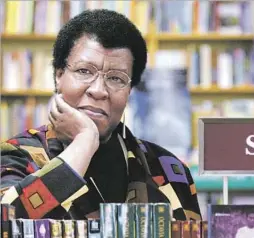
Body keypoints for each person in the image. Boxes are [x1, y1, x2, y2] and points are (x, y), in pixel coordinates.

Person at [0, 9, 201, 221]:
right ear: (59, 76)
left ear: (129, 91)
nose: (98, 90)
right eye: (84, 71)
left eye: (116, 78)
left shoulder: (169, 170)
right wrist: (85, 141)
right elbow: (6, 225)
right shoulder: (17, 157)